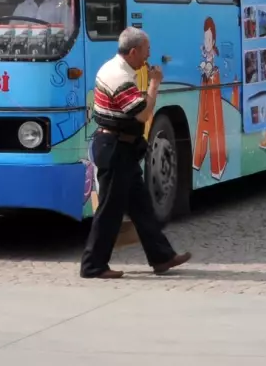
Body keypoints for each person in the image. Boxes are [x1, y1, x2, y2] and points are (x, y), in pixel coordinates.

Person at [81, 27, 191, 279]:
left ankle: (162, 257)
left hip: (123, 148)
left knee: (142, 207)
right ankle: (92, 265)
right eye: (146, 51)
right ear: (133, 52)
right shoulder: (120, 76)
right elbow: (142, 113)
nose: (149, 55)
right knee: (109, 210)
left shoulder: (115, 67)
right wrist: (154, 84)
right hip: (115, 149)